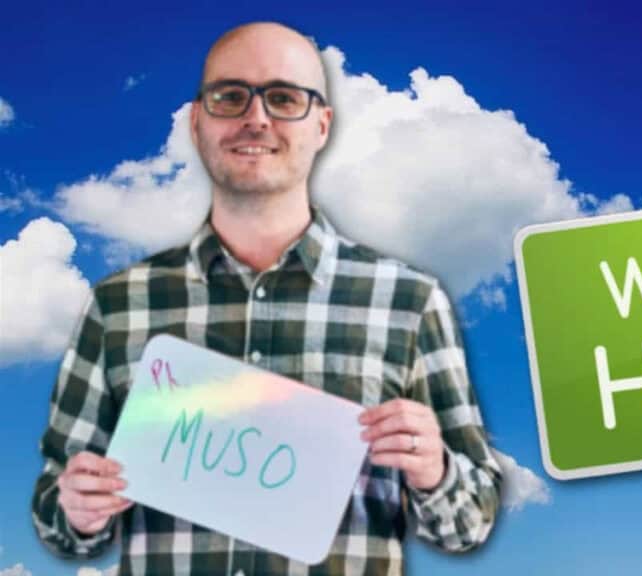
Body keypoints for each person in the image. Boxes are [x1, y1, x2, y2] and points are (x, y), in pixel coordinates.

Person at [31, 21, 502, 575]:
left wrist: (436, 471)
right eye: (230, 96)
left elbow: (471, 521)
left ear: (322, 125)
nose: (256, 117)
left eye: (283, 98)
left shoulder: (410, 302)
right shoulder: (117, 306)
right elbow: (56, 518)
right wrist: (76, 510)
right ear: (197, 122)